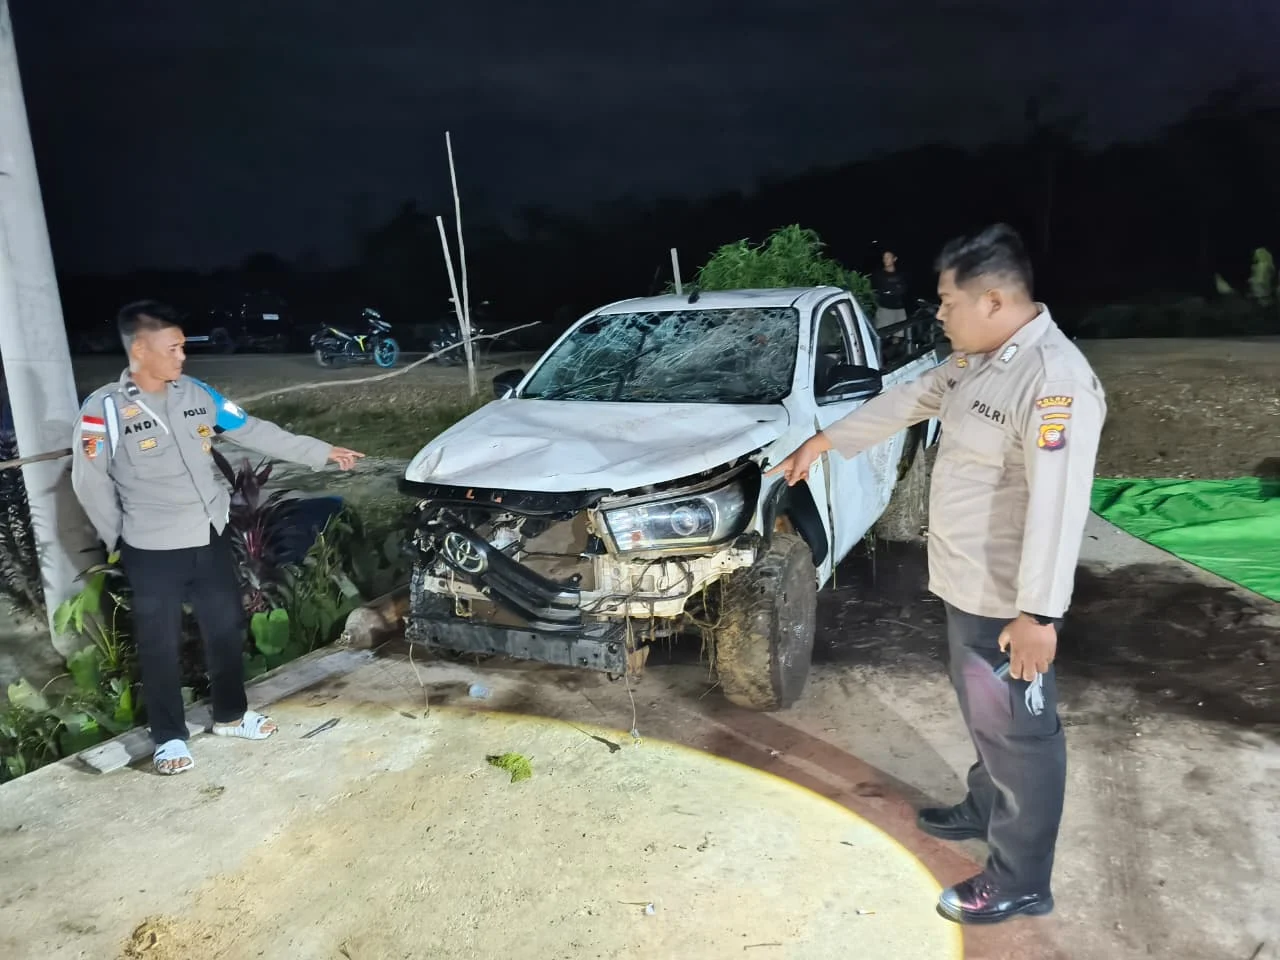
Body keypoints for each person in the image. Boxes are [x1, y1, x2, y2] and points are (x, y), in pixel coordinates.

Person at [769, 224, 1105, 924]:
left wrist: (1040, 613)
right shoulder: (979, 361)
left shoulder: (1054, 381)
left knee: (1023, 738)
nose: (940, 312)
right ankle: (986, 804)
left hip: (1012, 602)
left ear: (992, 299)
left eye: (948, 301)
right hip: (966, 587)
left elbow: (1060, 506)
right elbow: (911, 398)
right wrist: (825, 441)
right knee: (986, 716)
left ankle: (1019, 878)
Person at [71, 301, 365, 776]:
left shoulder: (197, 394)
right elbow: (90, 483)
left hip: (208, 535)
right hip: (151, 547)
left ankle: (230, 715)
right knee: (159, 643)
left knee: (225, 629)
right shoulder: (104, 408)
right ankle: (169, 738)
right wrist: (121, 539)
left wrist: (320, 451)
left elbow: (250, 429)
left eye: (183, 346)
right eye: (174, 348)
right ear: (141, 350)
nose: (183, 356)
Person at [871, 248, 910, 331]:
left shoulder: (901, 274)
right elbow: (876, 290)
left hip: (900, 309)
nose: (885, 260)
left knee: (899, 334)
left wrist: (891, 290)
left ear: (894, 259)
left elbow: (904, 289)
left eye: (888, 257)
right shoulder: (878, 274)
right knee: (883, 333)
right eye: (884, 258)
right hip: (884, 309)